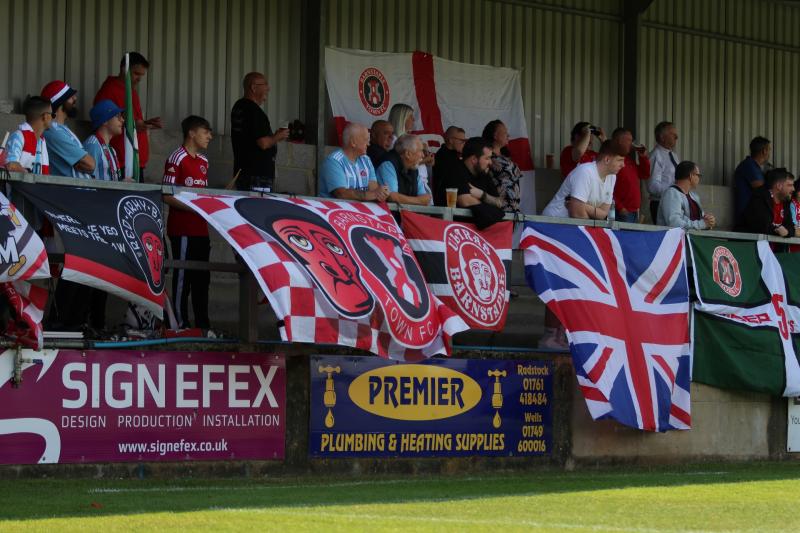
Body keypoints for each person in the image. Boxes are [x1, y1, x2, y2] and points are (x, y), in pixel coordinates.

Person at [162, 116, 214, 331]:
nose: (209, 136)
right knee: (183, 279)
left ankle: (203, 325)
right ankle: (179, 324)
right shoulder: (176, 157)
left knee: (202, 280)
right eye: (206, 131)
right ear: (191, 133)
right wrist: (196, 208)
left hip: (201, 230)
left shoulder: (204, 162)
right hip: (182, 229)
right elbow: (166, 194)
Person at [94, 52, 162, 176]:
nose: (139, 79)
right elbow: (104, 121)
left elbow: (132, 120)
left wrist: (145, 124)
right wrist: (138, 125)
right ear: (124, 69)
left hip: (135, 160)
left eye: (142, 75)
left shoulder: (131, 91)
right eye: (136, 73)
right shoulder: (109, 90)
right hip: (122, 161)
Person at [230, 72, 289, 192]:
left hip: (243, 173)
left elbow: (251, 138)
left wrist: (273, 136)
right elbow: (263, 143)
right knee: (258, 209)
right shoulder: (254, 111)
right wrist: (278, 137)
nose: (268, 88)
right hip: (257, 176)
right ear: (253, 87)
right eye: (265, 84)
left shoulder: (239, 106)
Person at [543, 140, 624, 220]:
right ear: (607, 160)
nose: (623, 165)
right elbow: (576, 213)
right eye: (620, 160)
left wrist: (584, 206)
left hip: (569, 226)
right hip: (553, 222)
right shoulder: (585, 172)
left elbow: (603, 213)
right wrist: (581, 208)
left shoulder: (612, 177)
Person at [318, 123, 389, 202]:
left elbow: (374, 189)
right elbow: (341, 194)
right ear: (353, 142)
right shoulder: (334, 161)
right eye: (366, 140)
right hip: (335, 212)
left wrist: (382, 193)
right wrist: (373, 194)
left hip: (359, 212)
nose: (368, 144)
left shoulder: (366, 160)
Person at [40, 80, 94, 178]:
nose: (75, 98)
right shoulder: (53, 131)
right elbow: (90, 164)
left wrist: (78, 163)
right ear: (60, 102)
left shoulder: (61, 129)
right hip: (69, 191)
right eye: (70, 96)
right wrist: (79, 162)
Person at [444, 137, 503, 209]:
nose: (490, 162)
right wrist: (490, 205)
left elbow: (499, 203)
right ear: (474, 159)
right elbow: (465, 201)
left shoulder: (484, 174)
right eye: (487, 158)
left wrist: (482, 195)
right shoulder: (455, 170)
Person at [739, 167, 795, 241]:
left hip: (774, 248)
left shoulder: (785, 202)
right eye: (789, 185)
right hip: (750, 247)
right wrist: (780, 230)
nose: (793, 189)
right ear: (779, 186)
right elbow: (763, 227)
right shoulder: (760, 198)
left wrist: (787, 232)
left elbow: (791, 227)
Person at [656, 161, 716, 230]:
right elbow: (674, 223)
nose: (699, 179)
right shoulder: (671, 194)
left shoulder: (694, 196)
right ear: (691, 176)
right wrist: (702, 224)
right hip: (676, 240)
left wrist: (708, 221)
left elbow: (701, 220)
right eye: (698, 175)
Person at [376, 134, 431, 205]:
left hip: (407, 214)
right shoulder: (388, 164)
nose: (423, 155)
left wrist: (419, 200)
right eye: (420, 151)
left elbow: (426, 198)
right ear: (408, 154)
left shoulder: (413, 167)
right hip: (388, 214)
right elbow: (392, 197)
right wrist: (419, 201)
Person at [610, 127, 650, 223]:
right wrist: (620, 208)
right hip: (621, 212)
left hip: (634, 211)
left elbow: (644, 174)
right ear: (619, 141)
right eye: (629, 140)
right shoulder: (611, 160)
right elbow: (607, 189)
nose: (631, 144)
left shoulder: (628, 160)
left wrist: (643, 157)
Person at [4, 96, 52, 174]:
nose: (53, 119)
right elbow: (11, 165)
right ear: (45, 116)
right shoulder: (18, 136)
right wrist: (29, 176)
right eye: (52, 115)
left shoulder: (41, 141)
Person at [483, 120, 522, 213]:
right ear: (495, 136)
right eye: (505, 132)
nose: (508, 135)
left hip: (513, 209)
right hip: (498, 209)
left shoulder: (506, 157)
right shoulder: (486, 157)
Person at [82, 100, 124, 181]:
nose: (122, 120)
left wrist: (122, 183)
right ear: (104, 121)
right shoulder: (92, 145)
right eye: (117, 116)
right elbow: (87, 181)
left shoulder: (111, 149)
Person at [648, 121, 680, 222]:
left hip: (673, 202)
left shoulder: (673, 155)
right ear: (662, 137)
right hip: (661, 203)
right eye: (672, 134)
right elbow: (653, 187)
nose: (676, 137)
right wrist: (673, 190)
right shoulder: (656, 155)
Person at [734, 136, 771, 218]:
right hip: (746, 217)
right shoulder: (749, 165)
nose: (769, 153)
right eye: (769, 150)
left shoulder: (755, 167)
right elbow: (761, 188)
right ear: (764, 151)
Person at [432, 126, 466, 206]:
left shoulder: (455, 156)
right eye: (462, 140)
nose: (464, 143)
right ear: (451, 140)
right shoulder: (443, 157)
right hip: (445, 203)